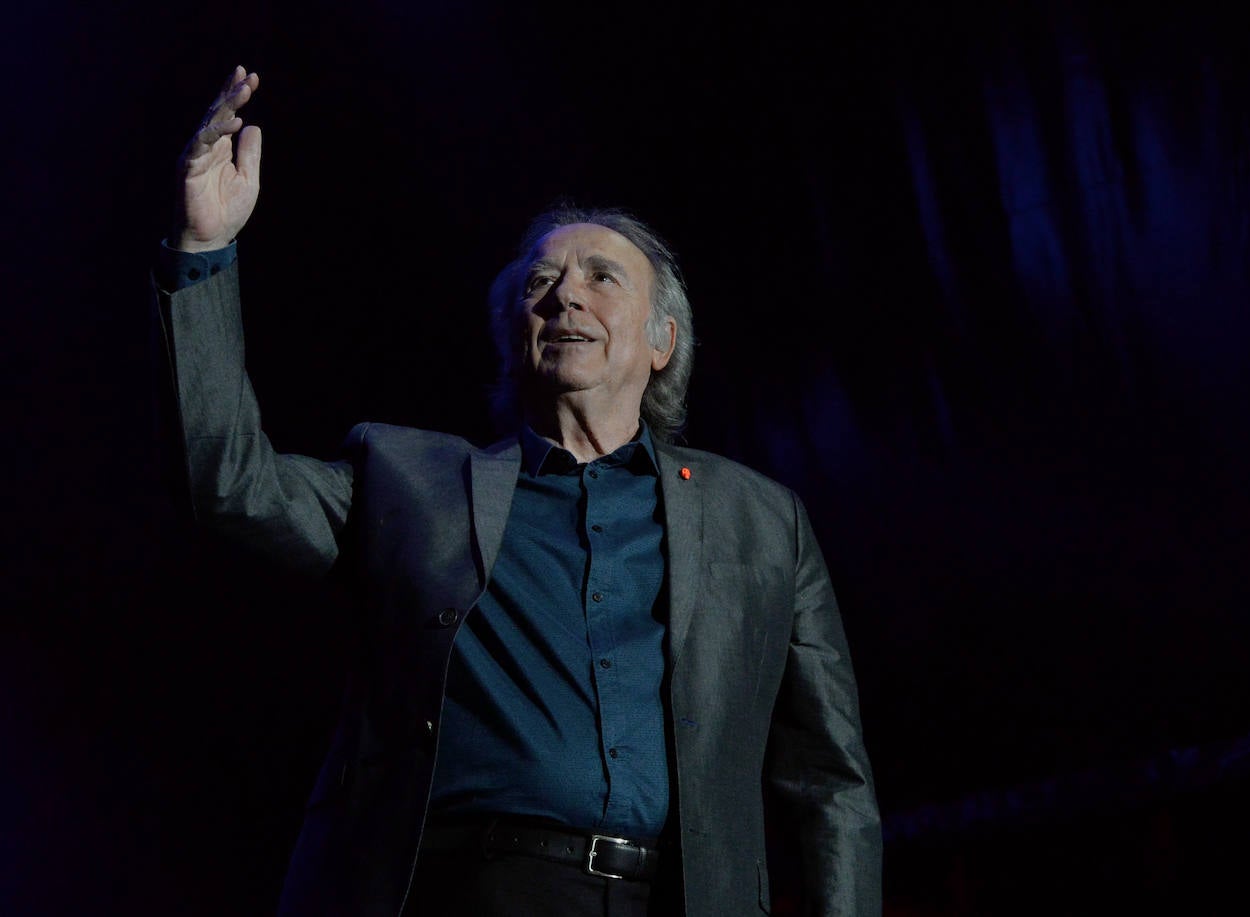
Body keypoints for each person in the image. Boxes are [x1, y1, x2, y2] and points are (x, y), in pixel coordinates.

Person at [155, 65, 882, 917]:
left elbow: (829, 781)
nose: (566, 291)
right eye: (541, 282)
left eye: (602, 277)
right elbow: (228, 483)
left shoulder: (761, 521)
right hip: (467, 891)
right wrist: (205, 251)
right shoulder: (409, 484)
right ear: (514, 331)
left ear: (661, 342)